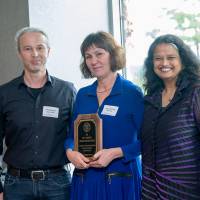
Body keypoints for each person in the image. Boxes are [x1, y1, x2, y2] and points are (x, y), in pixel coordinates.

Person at [65, 31, 144, 200]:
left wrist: (116, 152)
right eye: (88, 56)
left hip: (121, 180)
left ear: (113, 55)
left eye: (99, 54)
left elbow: (149, 141)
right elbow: (71, 136)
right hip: (85, 180)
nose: (93, 61)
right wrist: (70, 152)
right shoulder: (83, 94)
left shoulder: (132, 93)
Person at [0, 27, 76, 200]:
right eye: (28, 48)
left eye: (40, 47)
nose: (35, 54)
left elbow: (77, 135)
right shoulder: (4, 94)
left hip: (58, 184)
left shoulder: (67, 91)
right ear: (19, 54)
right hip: (16, 185)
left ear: (48, 51)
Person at [141, 34, 200, 199]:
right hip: (150, 191)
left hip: (185, 191)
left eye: (171, 57)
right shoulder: (149, 100)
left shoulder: (195, 93)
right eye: (158, 58)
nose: (164, 63)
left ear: (183, 60)